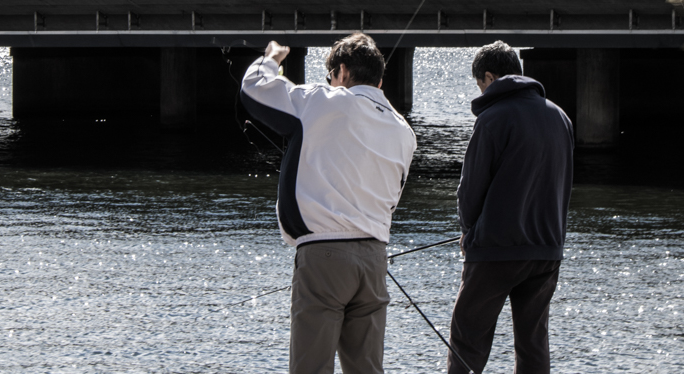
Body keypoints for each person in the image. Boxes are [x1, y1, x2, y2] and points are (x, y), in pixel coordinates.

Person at [239, 33, 416, 374]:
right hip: (374, 259)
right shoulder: (403, 130)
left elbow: (254, 89)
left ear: (342, 71)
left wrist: (272, 58)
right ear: (379, 79)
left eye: (331, 76)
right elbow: (393, 198)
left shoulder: (323, 100)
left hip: (323, 256)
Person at [447, 41, 574, 374]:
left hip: (497, 250)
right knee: (533, 344)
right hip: (547, 250)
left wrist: (468, 232)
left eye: (480, 84)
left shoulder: (492, 118)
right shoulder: (560, 117)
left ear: (489, 77)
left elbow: (470, 191)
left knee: (467, 337)